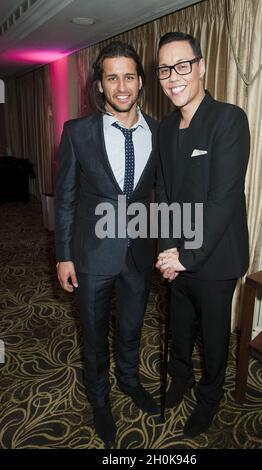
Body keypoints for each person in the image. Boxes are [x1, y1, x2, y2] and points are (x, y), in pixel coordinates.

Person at [55, 41, 158, 448]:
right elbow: (65, 199)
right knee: (94, 335)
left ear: (140, 82)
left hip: (139, 254)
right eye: (112, 77)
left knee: (132, 328)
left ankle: (130, 381)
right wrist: (64, 256)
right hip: (92, 256)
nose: (121, 86)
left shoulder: (160, 132)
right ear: (99, 84)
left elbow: (160, 194)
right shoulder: (77, 132)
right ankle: (99, 401)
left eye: (129, 77)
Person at [155, 32, 250, 438]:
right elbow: (162, 193)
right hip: (176, 254)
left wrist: (185, 257)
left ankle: (210, 397)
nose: (173, 76)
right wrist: (164, 250)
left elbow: (222, 201)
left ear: (201, 66)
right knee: (179, 327)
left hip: (215, 258)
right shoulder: (163, 128)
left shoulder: (229, 119)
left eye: (182, 65)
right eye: (164, 69)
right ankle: (180, 378)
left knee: (213, 340)